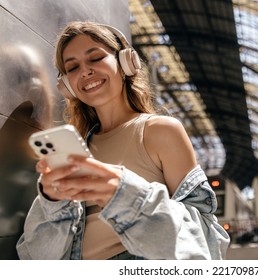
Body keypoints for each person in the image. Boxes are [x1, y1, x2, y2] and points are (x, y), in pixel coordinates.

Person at [16, 21, 230, 260]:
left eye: (95, 58)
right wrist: (52, 201)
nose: (85, 71)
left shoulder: (160, 131)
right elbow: (34, 257)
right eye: (73, 67)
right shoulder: (75, 148)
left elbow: (205, 239)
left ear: (126, 62)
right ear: (67, 86)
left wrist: (125, 193)